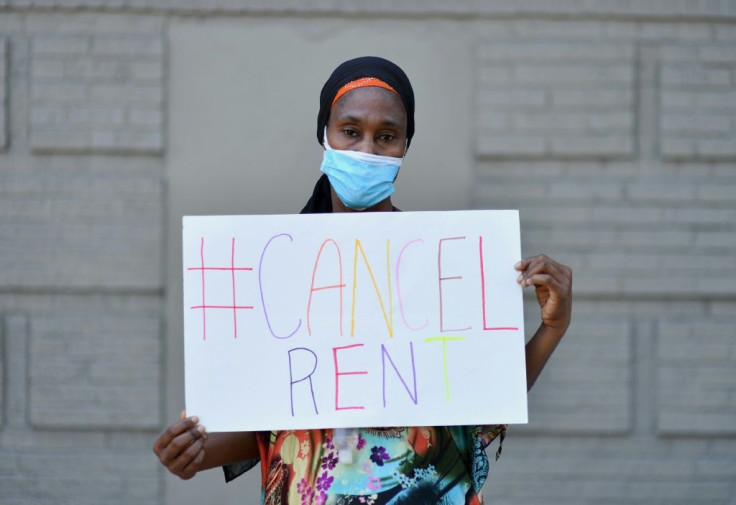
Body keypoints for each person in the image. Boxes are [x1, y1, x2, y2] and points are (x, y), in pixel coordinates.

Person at [153, 56, 572, 504]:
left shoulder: (441, 266)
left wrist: (552, 327)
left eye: (386, 136)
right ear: (325, 135)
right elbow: (272, 420)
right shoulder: (276, 270)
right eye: (350, 132)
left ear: (405, 146)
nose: (367, 151)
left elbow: (484, 390)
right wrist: (193, 454)